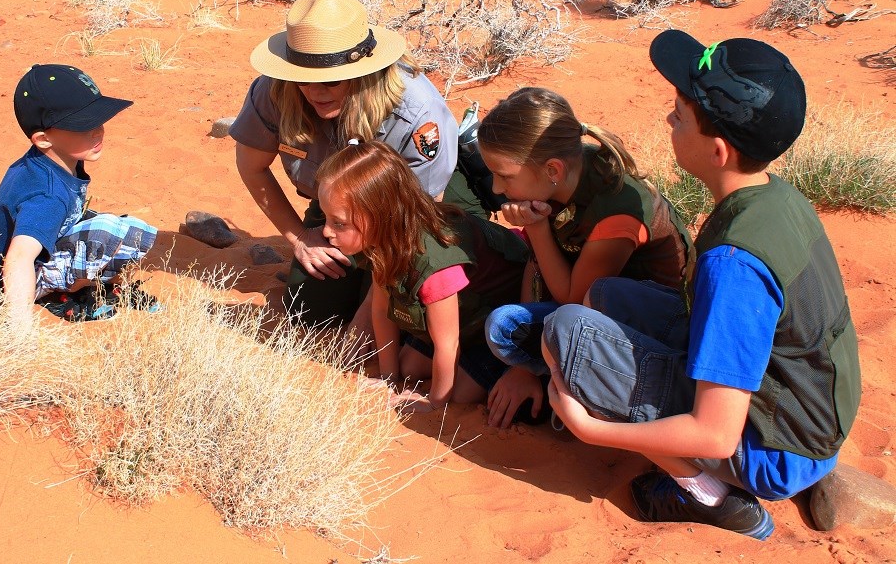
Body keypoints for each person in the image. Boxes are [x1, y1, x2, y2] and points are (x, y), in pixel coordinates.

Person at [541, 30, 861, 540]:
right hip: (808, 408)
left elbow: (714, 434)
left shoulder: (736, 263)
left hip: (775, 449)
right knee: (601, 298)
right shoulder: (773, 198)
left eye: (680, 115)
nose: (669, 119)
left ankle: (710, 497)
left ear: (717, 151)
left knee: (566, 332)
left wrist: (593, 430)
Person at [231, 0, 465, 330]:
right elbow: (251, 166)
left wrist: (366, 315)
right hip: (338, 210)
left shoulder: (417, 113)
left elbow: (415, 222)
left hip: (417, 213)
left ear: (364, 71)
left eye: (331, 80)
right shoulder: (274, 90)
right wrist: (300, 238)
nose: (315, 92)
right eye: (304, 80)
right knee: (311, 313)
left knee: (406, 313)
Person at [477, 86, 693, 428]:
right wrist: (521, 368)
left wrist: (536, 229)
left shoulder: (616, 208)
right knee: (504, 327)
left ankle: (582, 388)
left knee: (507, 328)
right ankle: (558, 377)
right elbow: (539, 267)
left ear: (552, 170)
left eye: (504, 176)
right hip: (592, 306)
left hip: (651, 328)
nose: (496, 189)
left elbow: (573, 298)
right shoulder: (564, 175)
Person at [316, 140, 529, 412]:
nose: (326, 231)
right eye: (326, 218)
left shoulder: (434, 262)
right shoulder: (379, 241)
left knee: (461, 393)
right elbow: (382, 310)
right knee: (407, 367)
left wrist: (434, 403)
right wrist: (388, 377)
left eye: (338, 222)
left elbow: (448, 343)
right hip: (463, 316)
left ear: (379, 216)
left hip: (497, 316)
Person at [0, 64, 158, 327]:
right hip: (12, 281)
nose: (97, 131)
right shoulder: (48, 195)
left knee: (111, 228)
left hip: (28, 259)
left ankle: (86, 285)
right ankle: (66, 294)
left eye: (98, 120)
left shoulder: (52, 160)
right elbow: (19, 257)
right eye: (82, 126)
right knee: (111, 233)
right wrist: (18, 327)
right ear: (43, 139)